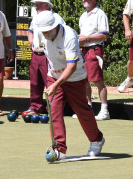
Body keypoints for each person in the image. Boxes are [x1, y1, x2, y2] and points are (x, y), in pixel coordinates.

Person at [35, 11, 105, 160]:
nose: (44, 33)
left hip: (75, 77)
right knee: (53, 110)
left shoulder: (69, 36)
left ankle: (96, 139)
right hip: (54, 76)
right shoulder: (42, 33)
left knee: (82, 110)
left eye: (47, 30)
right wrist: (52, 81)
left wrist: (56, 84)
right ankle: (59, 148)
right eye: (43, 30)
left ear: (54, 27)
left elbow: (71, 66)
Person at [27, 0, 65, 113]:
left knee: (50, 82)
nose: (35, 6)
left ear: (47, 5)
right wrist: (31, 43)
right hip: (35, 54)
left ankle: (53, 108)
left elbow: (62, 35)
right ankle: (35, 107)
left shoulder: (57, 18)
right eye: (35, 4)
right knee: (35, 82)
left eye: (38, 4)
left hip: (49, 55)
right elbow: (30, 31)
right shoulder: (35, 17)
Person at [77, 0, 110, 120]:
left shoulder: (100, 14)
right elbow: (82, 35)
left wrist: (86, 38)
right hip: (83, 50)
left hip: (95, 49)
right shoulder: (82, 16)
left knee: (98, 80)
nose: (84, 0)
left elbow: (104, 34)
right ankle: (87, 109)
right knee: (84, 80)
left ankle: (105, 110)